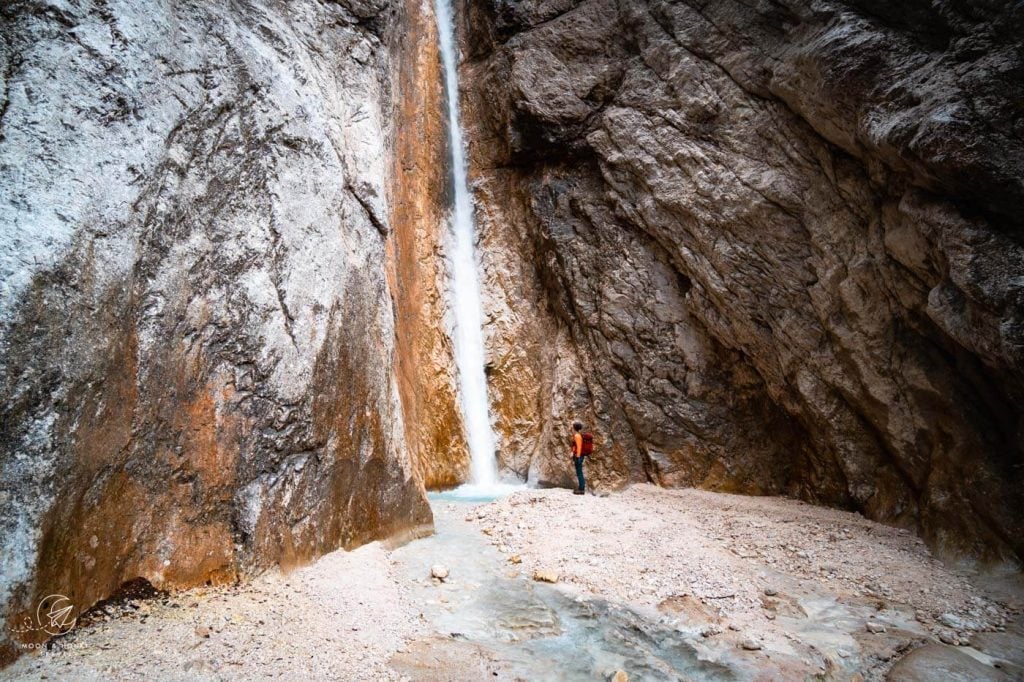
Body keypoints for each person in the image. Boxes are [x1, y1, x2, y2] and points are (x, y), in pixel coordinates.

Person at [571, 421, 587, 495]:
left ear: (575, 428)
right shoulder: (577, 435)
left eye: (572, 427)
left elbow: (579, 447)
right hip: (579, 455)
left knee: (579, 473)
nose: (571, 428)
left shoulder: (577, 436)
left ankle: (581, 489)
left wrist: (577, 457)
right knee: (579, 472)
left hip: (579, 456)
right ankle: (581, 488)